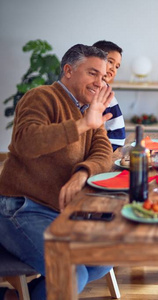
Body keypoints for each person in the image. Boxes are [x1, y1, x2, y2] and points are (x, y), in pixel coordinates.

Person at [0, 44, 115, 300]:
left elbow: (103, 151)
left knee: (103, 258)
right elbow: (26, 142)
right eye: (92, 73)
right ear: (68, 70)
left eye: (103, 76)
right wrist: (83, 124)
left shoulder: (88, 109)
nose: (99, 82)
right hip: (20, 207)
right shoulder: (41, 96)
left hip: (58, 211)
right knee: (73, 274)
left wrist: (82, 174)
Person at [92, 40, 126, 151]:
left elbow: (118, 134)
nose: (113, 69)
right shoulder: (83, 90)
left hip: (104, 150)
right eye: (110, 62)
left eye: (117, 66)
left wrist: (105, 152)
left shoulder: (108, 96)